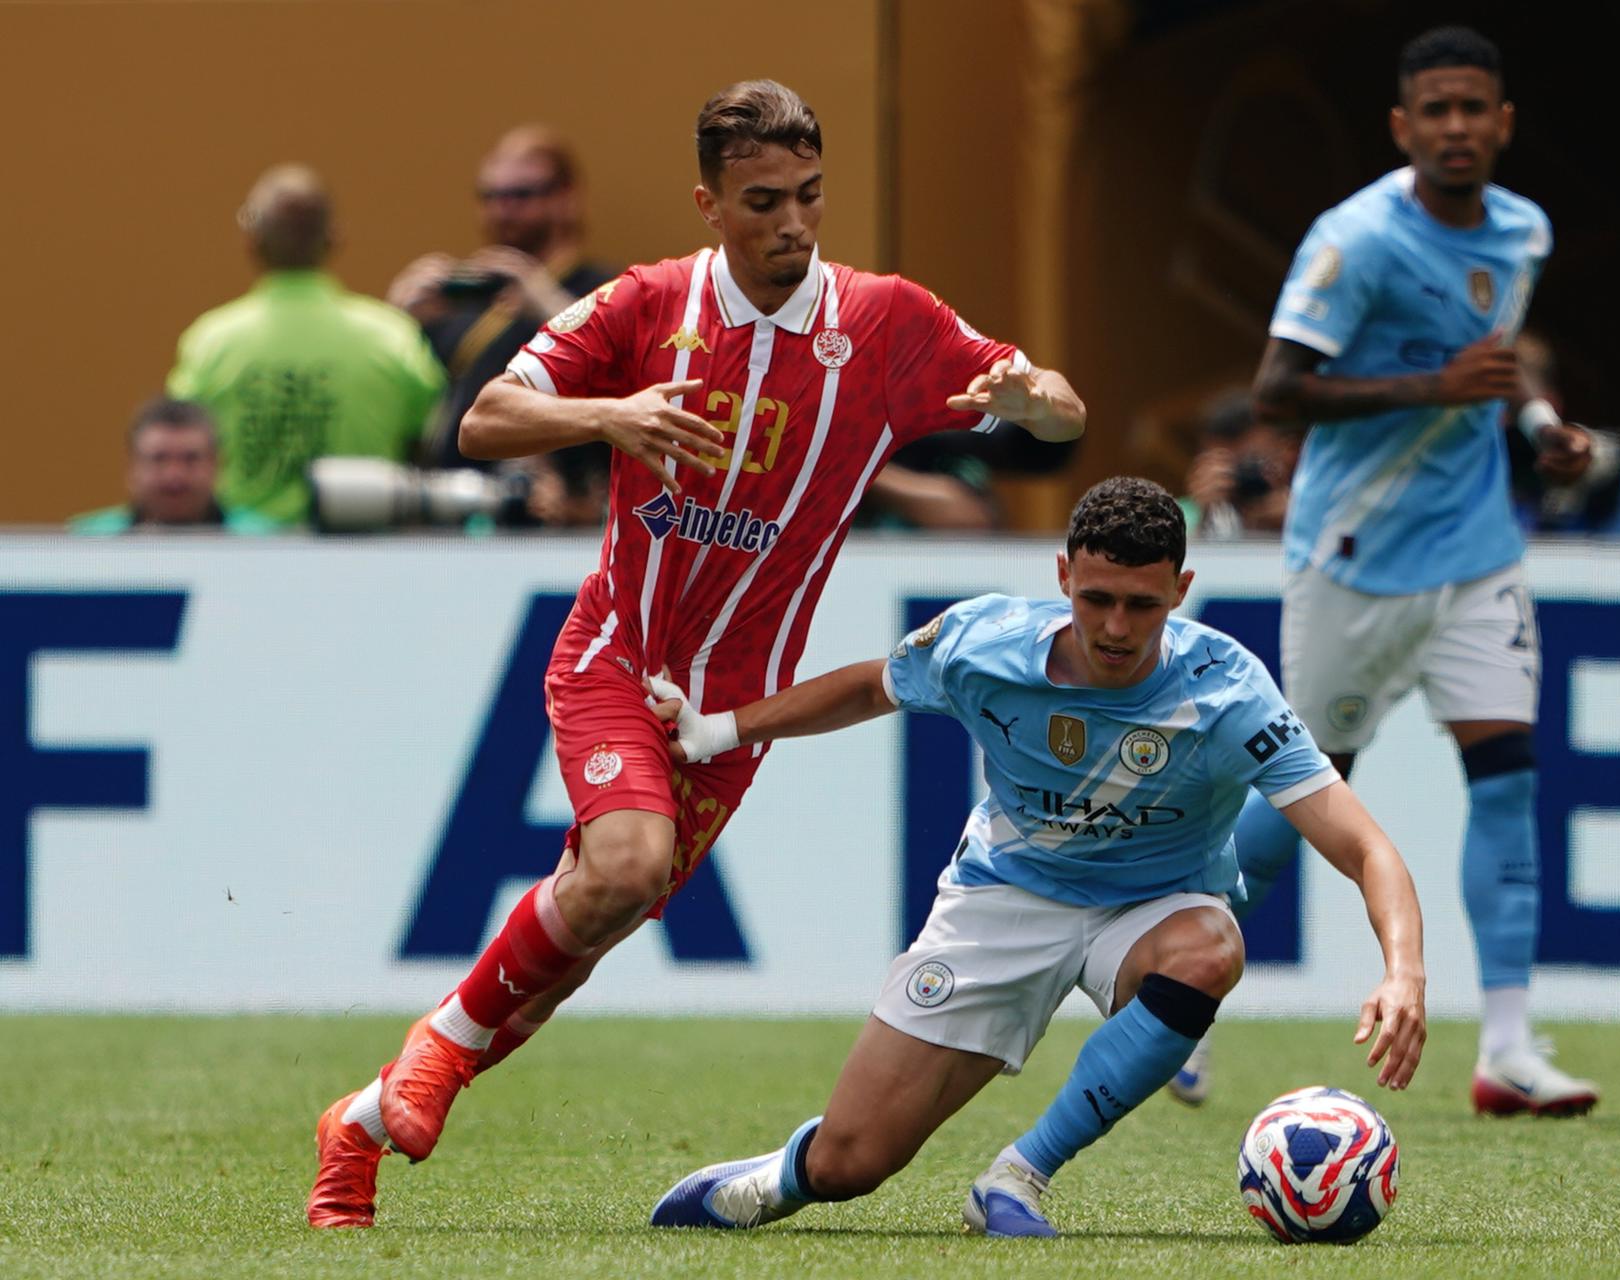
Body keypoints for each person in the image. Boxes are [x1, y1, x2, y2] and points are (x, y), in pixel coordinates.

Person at [306, 79, 1086, 1229]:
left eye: (810, 196)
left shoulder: (884, 324)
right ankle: (430, 1057)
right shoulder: (644, 304)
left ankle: (364, 1119)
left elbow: (1060, 418)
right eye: (764, 200)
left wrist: (1036, 397)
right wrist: (609, 416)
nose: (793, 223)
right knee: (620, 869)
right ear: (710, 202)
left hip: (736, 711)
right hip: (620, 650)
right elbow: (486, 420)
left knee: (585, 925)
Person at [647, 477, 1426, 1237]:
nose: (1117, 629)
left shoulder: (1227, 691)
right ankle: (778, 1177)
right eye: (1097, 600)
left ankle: (1017, 1177)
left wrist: (1403, 971)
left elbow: (1364, 845)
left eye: (1142, 605)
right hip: (1004, 896)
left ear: (1181, 590)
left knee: (1210, 948)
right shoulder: (983, 644)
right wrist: (718, 731)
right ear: (1063, 577)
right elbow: (869, 689)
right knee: (851, 1165)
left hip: (1152, 906)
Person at [1187, 26, 1601, 1118]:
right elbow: (1278, 389)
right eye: (1438, 110)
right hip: (1357, 555)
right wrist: (1439, 392)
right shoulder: (1355, 239)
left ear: (1503, 123)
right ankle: (1174, 995)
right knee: (1303, 794)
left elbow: (1493, 360)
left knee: (1507, 778)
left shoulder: (1522, 231)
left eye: (1477, 108)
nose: (1458, 127)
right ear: (1403, 127)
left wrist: (1540, 421)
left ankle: (1508, 1043)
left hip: (1477, 552)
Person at [167, 165, 446, 527]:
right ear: (335, 239)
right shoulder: (392, 338)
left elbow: (181, 445)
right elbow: (431, 446)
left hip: (245, 558)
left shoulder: (211, 342)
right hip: (363, 553)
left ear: (250, 240)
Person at [387, 126, 616, 474]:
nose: (503, 209)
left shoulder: (602, 289)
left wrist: (545, 301)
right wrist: (398, 322)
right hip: (456, 498)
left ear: (566, 199)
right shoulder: (468, 305)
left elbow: (624, 372)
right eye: (490, 196)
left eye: (521, 194)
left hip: (559, 507)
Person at [1506, 333, 1620, 538]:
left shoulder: (1617, 473)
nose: (1498, 419)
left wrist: (1587, 457)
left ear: (1549, 403)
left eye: (1509, 406)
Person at [70, 398, 279, 534]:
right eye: (159, 459)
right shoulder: (86, 545)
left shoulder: (265, 542)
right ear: (133, 468)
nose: (175, 475)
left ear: (216, 465)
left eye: (191, 459)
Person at [1176, 390, 1297, 539]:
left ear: (1288, 452)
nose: (1240, 475)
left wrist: (1300, 522)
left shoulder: (1315, 508)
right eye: (1226, 466)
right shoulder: (1178, 516)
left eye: (1253, 463)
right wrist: (1202, 518)